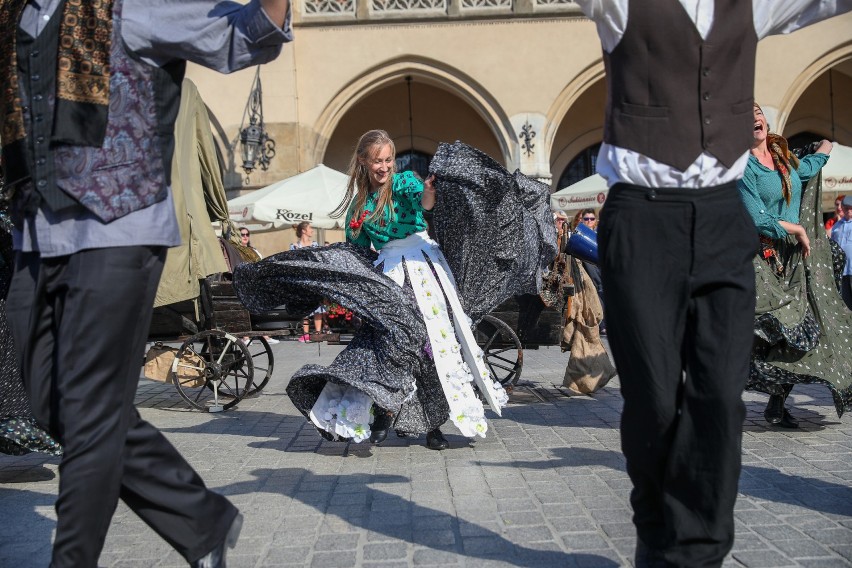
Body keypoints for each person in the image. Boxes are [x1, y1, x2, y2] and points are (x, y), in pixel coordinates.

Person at [1, 1, 292, 567]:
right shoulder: (13, 17)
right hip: (37, 234)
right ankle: (200, 520)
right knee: (47, 401)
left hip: (119, 228)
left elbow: (247, 34)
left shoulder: (130, 7)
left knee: (87, 411)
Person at [572, 1, 852, 566]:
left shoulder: (751, 5)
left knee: (721, 401)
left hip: (724, 219)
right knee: (652, 399)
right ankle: (656, 531)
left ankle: (698, 553)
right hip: (643, 219)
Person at [330, 129, 508, 449]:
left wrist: (428, 191)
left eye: (389, 160)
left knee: (432, 346)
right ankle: (385, 411)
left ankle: (433, 426)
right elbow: (356, 250)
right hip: (388, 271)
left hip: (423, 266)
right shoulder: (359, 207)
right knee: (391, 344)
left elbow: (424, 202)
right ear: (363, 162)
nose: (384, 167)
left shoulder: (405, 181)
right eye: (378, 161)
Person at [737, 103, 845, 428]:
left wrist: (824, 149)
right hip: (762, 261)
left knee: (801, 334)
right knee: (761, 331)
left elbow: (805, 170)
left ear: (764, 120)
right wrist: (796, 228)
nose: (754, 117)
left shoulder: (783, 159)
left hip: (793, 266)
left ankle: (776, 403)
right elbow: (756, 218)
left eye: (756, 111)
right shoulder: (744, 168)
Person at [290, 221, 328, 342]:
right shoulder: (294, 246)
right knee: (304, 306)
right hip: (301, 280)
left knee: (317, 306)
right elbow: (291, 263)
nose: (312, 230)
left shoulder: (315, 245)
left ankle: (317, 332)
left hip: (314, 279)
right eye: (310, 228)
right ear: (303, 230)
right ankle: (305, 333)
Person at [831, 195, 852, 309]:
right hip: (842, 271)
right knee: (845, 303)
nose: (849, 210)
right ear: (842, 208)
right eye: (846, 207)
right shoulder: (836, 226)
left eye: (851, 208)